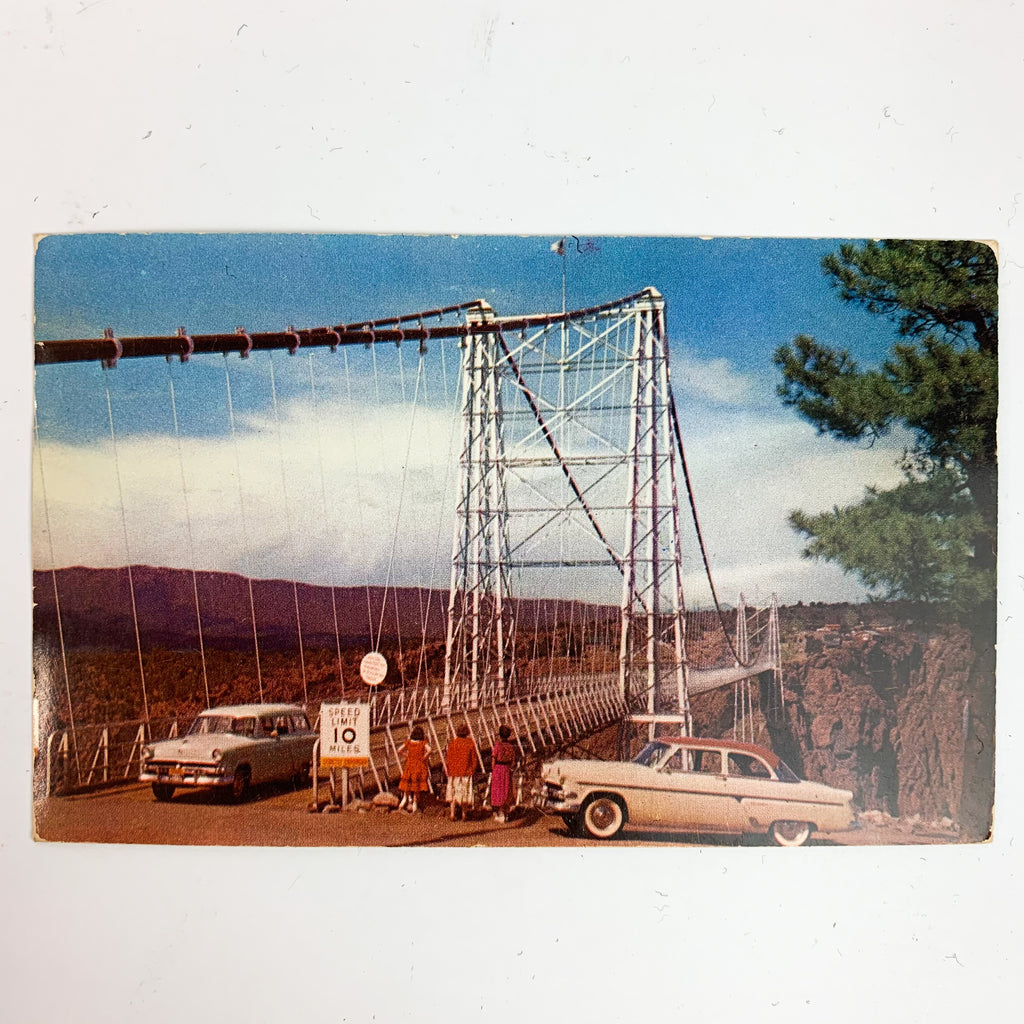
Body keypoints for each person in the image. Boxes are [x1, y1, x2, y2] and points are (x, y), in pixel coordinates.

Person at [444, 722, 479, 821]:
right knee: (465, 793)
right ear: (467, 732)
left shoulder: (453, 743)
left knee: (453, 793)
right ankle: (464, 814)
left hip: (454, 772)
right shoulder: (470, 743)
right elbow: (474, 759)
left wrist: (448, 769)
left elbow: (448, 758)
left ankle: (452, 813)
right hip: (466, 772)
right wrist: (472, 769)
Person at [398, 726, 431, 813]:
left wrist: (407, 756)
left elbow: (399, 750)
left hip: (410, 764)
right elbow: (430, 750)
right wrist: (424, 758)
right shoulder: (422, 743)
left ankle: (403, 802)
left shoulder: (409, 742)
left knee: (407, 784)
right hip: (419, 765)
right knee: (417, 786)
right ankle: (415, 805)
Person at [489, 725, 517, 822]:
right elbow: (513, 761)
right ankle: (506, 812)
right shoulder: (511, 746)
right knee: (506, 789)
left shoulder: (497, 745)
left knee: (498, 790)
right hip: (506, 769)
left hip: (498, 768)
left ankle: (500, 813)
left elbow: (494, 758)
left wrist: (493, 769)